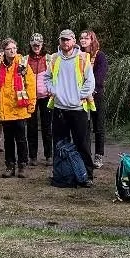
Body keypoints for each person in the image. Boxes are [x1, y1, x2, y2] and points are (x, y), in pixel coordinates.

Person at [46, 29, 96, 183]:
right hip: (60, 108)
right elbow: (46, 78)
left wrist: (79, 96)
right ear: (59, 41)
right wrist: (54, 91)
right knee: (60, 143)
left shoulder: (82, 58)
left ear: (74, 41)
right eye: (63, 40)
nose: (65, 42)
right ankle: (61, 173)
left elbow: (90, 81)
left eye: (68, 40)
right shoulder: (54, 59)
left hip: (78, 109)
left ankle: (87, 175)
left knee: (82, 143)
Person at [0, 37, 36, 178]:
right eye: (9, 49)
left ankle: (22, 165)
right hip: (5, 109)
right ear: (3, 51)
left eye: (14, 48)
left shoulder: (23, 64)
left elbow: (31, 85)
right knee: (8, 140)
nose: (12, 51)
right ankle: (9, 166)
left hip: (20, 108)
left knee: (21, 139)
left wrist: (31, 104)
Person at [80, 29, 109, 168]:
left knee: (99, 126)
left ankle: (99, 155)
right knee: (83, 126)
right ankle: (84, 154)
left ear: (92, 40)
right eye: (81, 38)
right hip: (81, 96)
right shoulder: (78, 55)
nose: (83, 40)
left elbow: (100, 75)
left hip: (96, 95)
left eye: (86, 38)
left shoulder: (100, 56)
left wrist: (92, 91)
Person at [24, 33, 52, 167]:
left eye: (38, 44)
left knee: (47, 127)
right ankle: (33, 156)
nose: (36, 46)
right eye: (34, 44)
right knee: (31, 127)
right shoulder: (25, 59)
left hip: (46, 96)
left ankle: (49, 156)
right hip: (30, 97)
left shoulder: (49, 58)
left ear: (42, 44)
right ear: (30, 44)